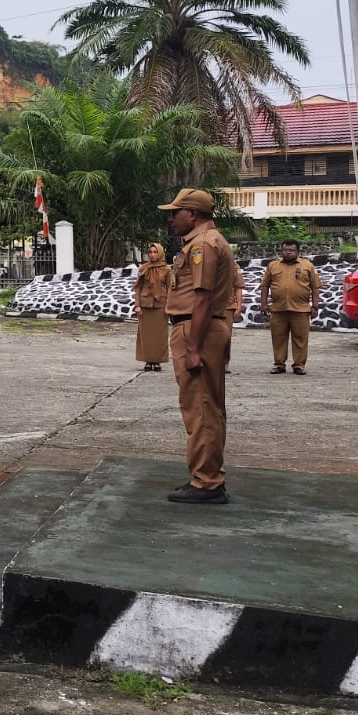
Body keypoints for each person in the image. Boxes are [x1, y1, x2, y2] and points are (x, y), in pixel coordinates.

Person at [159, 188, 235, 505]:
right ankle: (206, 475)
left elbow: (202, 298)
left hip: (196, 327)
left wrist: (192, 348)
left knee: (201, 406)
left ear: (193, 214)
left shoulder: (203, 244)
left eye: (176, 212)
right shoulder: (206, 241)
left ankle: (207, 482)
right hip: (202, 326)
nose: (171, 218)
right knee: (209, 406)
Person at [260, 241, 322, 376]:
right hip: (278, 309)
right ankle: (279, 364)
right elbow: (265, 285)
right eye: (285, 250)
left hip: (300, 309)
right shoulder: (273, 265)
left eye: (291, 250)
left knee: (300, 338)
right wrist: (263, 304)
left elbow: (315, 287)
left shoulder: (307, 266)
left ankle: (299, 365)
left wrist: (315, 306)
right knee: (278, 338)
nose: (287, 252)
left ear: (298, 252)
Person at [133, 242, 170, 372]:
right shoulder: (143, 268)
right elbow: (137, 287)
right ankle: (148, 361)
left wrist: (168, 307)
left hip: (160, 305)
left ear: (160, 253)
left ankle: (158, 361)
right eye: (150, 252)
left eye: (155, 252)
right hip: (145, 306)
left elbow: (171, 289)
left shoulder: (167, 269)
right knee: (146, 336)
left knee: (160, 336)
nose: (153, 255)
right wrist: (137, 305)